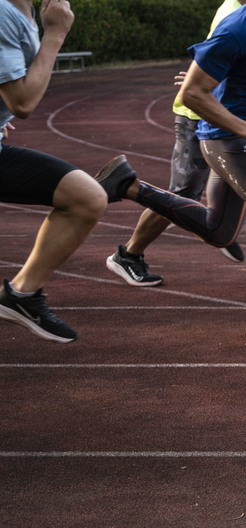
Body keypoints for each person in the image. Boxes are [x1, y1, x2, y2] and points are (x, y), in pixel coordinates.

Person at [95, 0, 246, 337]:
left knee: (219, 232)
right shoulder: (236, 29)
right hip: (225, 139)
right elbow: (192, 93)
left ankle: (129, 186)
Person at [105, 0, 246, 287]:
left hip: (230, 116)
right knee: (184, 192)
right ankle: (128, 254)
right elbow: (219, 62)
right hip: (199, 115)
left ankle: (222, 226)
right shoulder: (234, 13)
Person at [0, 0, 109, 343]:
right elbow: (23, 101)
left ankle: (21, 296)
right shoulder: (3, 12)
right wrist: (57, 34)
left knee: (86, 197)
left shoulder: (26, 10)